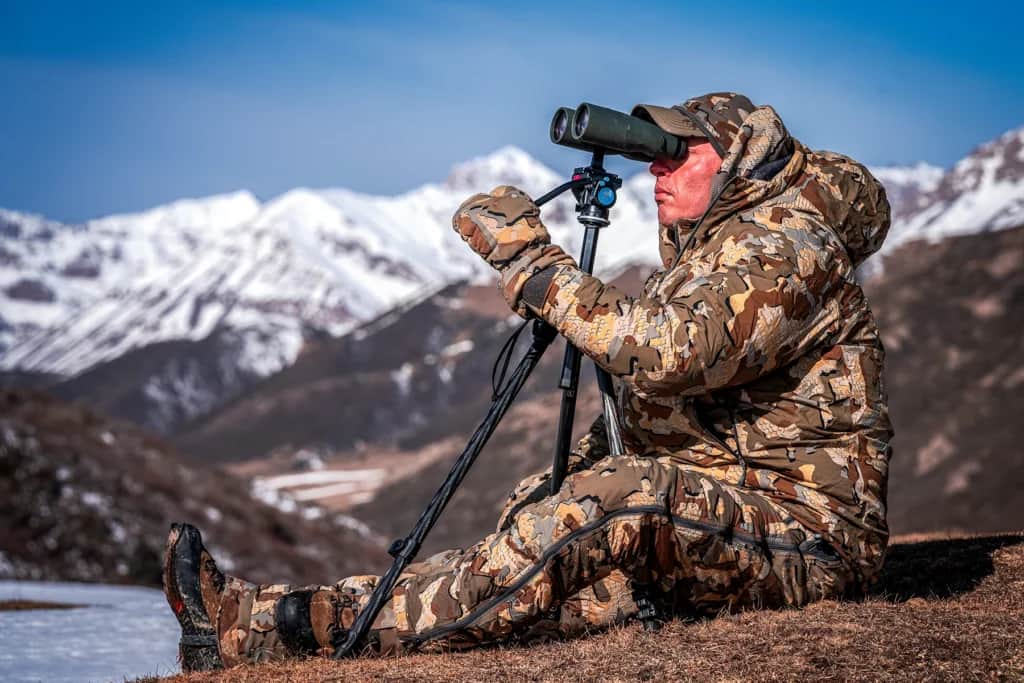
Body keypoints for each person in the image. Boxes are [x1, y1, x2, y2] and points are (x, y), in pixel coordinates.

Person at [163, 92, 893, 671]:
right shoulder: (715, 252)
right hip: (726, 516)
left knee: (602, 508)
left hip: (807, 539)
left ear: (732, 160)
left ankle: (278, 627)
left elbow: (670, 353)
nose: (655, 173)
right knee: (539, 538)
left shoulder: (790, 250)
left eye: (676, 155)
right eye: (653, 157)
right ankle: (263, 624)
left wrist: (535, 268)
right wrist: (563, 486)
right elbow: (669, 407)